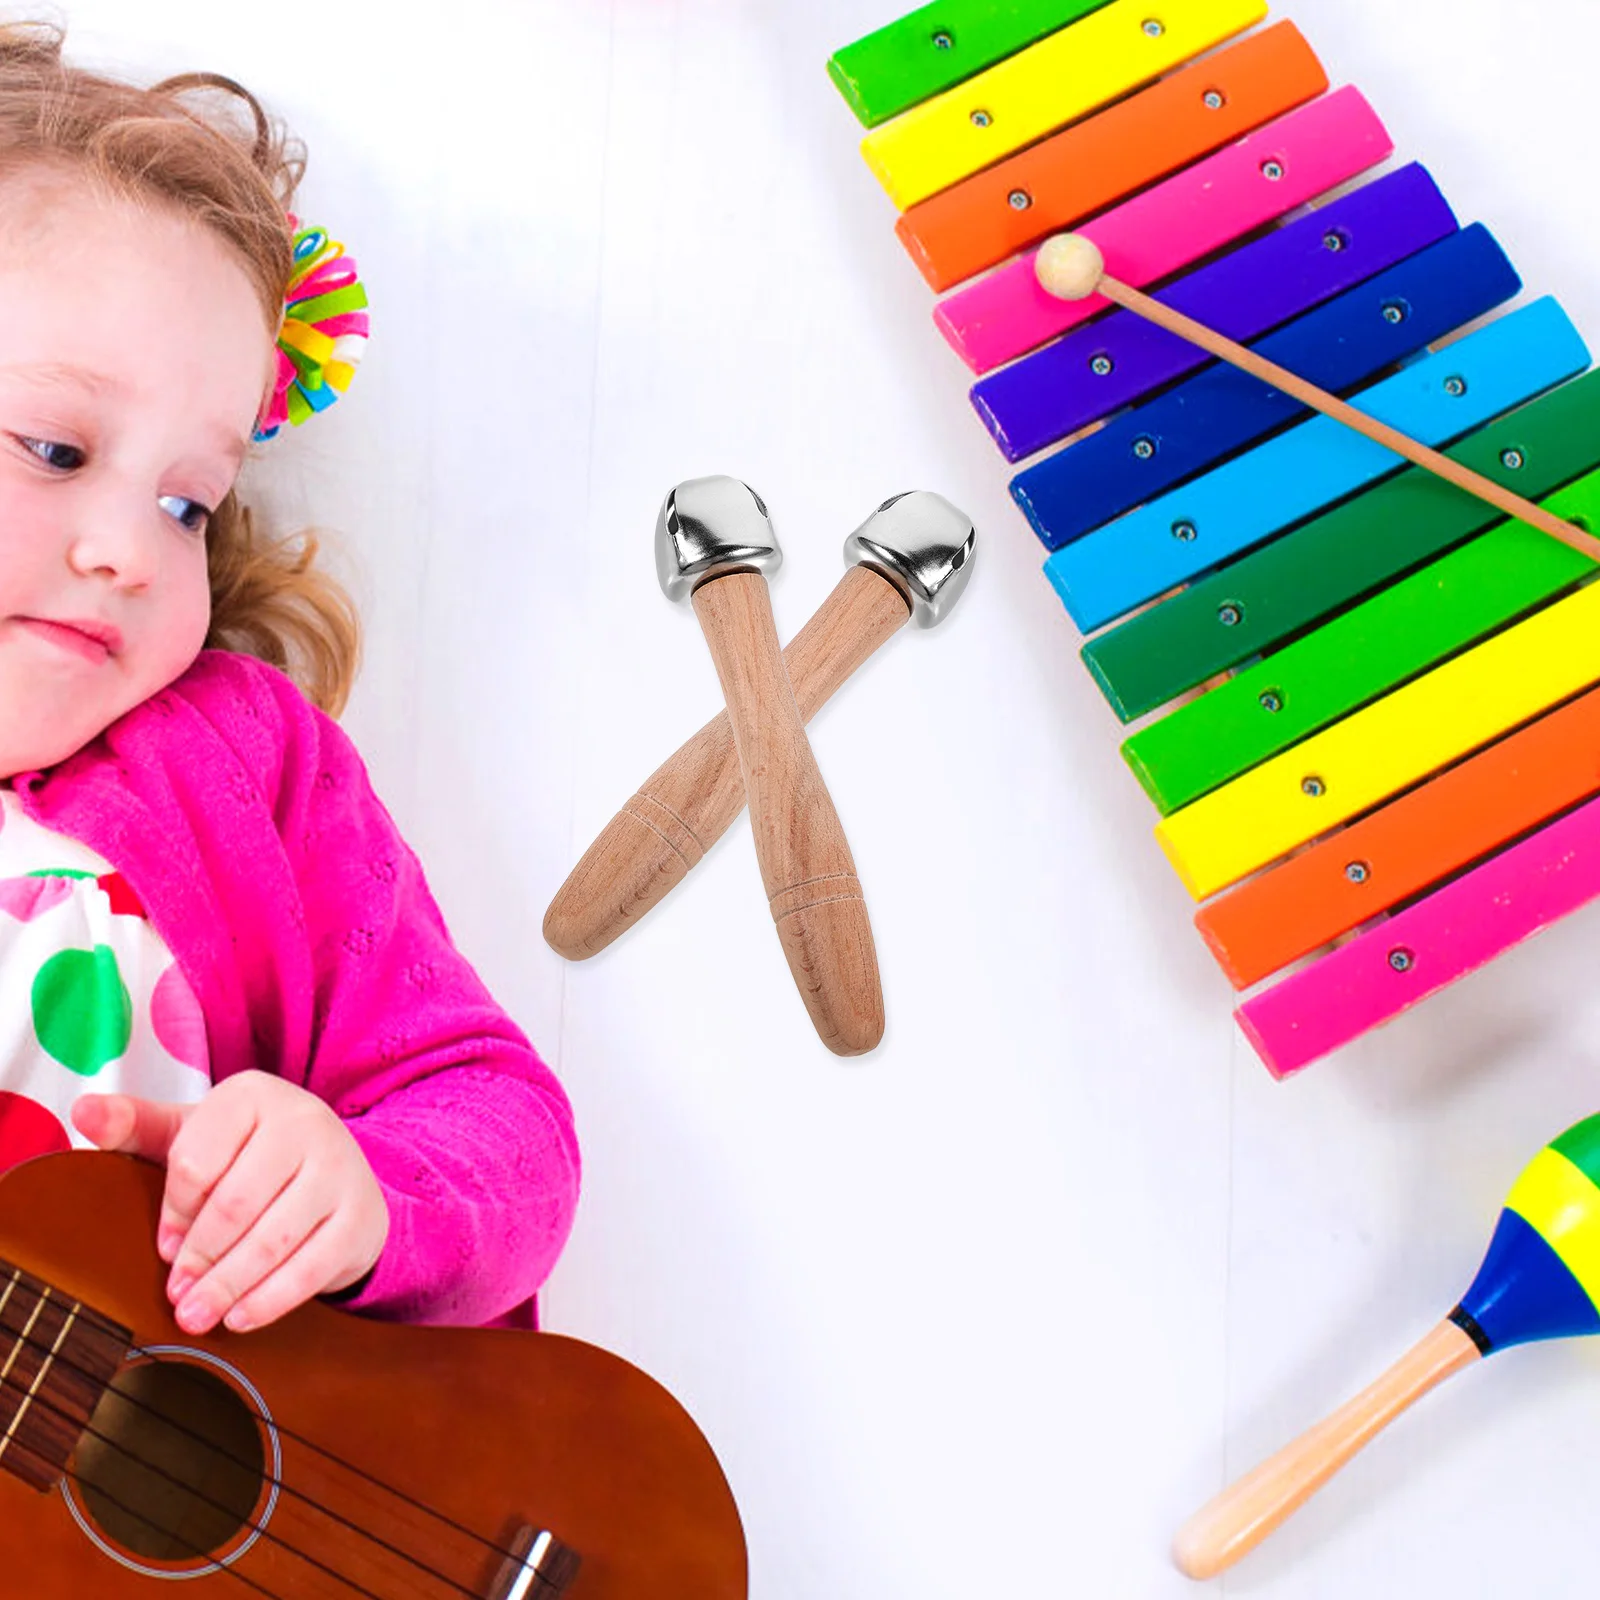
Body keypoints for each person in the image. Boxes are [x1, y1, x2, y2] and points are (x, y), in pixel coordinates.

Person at [0, 21, 579, 1336]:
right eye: (52, 447)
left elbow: (502, 1121)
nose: (129, 551)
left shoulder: (242, 758)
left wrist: (364, 1190)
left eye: (189, 503)